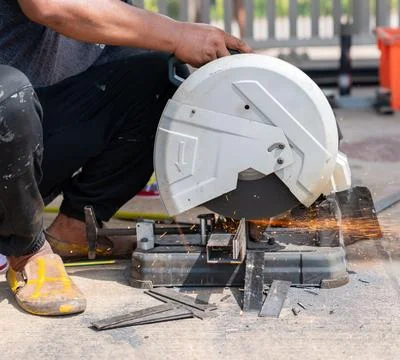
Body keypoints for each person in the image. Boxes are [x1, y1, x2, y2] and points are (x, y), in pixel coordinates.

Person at [0, 0, 251, 316]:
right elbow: (49, 6)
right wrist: (177, 34)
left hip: (27, 139)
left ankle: (74, 228)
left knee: (156, 72)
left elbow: (121, 26)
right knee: (8, 97)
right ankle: (25, 252)